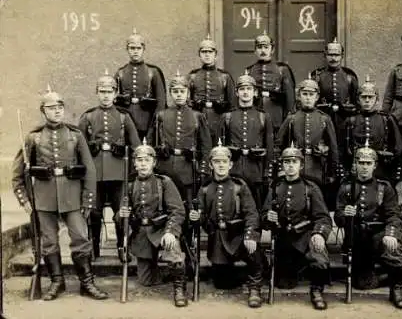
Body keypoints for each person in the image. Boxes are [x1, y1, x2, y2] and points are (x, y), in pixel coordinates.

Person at [12, 85, 108, 301]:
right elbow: (18, 174)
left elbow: (90, 170)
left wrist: (87, 199)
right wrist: (25, 201)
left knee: (81, 238)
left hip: (72, 196)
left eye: (60, 107)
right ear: (43, 111)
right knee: (49, 241)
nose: (56, 111)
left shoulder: (75, 135)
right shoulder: (33, 138)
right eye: (51, 107)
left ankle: (87, 283)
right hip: (43, 198)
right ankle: (57, 282)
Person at [189, 140, 265, 308]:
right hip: (217, 239)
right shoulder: (205, 189)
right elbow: (201, 218)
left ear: (230, 164)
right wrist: (196, 216)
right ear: (211, 165)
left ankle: (254, 289)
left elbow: (252, 213)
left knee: (254, 252)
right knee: (223, 283)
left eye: (224, 162)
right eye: (217, 162)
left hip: (238, 236)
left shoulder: (240, 186)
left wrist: (250, 235)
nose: (221, 165)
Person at [335, 142, 402, 309]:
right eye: (361, 163)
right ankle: (388, 276)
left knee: (392, 247)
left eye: (368, 163)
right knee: (363, 284)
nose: (364, 167)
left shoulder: (385, 187)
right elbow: (338, 219)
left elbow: (393, 216)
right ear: (355, 165)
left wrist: (390, 233)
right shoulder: (346, 187)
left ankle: (397, 288)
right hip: (357, 239)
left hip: (379, 235)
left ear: (375, 166)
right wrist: (345, 215)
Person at [78, 70, 141, 261]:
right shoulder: (88, 117)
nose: (106, 95)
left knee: (121, 213)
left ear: (115, 94)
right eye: (102, 91)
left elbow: (136, 146)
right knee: (94, 213)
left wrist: (129, 166)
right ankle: (94, 247)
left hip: (118, 173)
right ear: (97, 93)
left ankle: (123, 247)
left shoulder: (124, 118)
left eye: (110, 91)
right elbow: (78, 147)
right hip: (94, 174)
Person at [262, 144, 332, 310]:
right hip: (283, 240)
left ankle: (316, 290)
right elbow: (263, 216)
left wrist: (319, 234)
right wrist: (268, 218)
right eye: (287, 162)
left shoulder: (311, 188)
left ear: (301, 165)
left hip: (305, 237)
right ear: (283, 165)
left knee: (319, 257)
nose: (290, 165)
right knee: (285, 284)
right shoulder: (275, 187)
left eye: (294, 161)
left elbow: (323, 217)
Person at [119, 140, 188, 307]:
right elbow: (121, 215)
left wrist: (171, 231)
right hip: (141, 233)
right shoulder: (129, 184)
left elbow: (177, 211)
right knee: (146, 281)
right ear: (134, 163)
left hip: (162, 230)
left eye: (147, 160)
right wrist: (121, 215)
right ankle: (163, 271)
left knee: (173, 250)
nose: (143, 164)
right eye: (139, 160)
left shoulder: (164, 182)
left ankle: (179, 288)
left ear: (154, 162)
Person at [147, 71, 212, 212]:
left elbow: (206, 146)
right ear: (170, 93)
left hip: (189, 169)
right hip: (165, 167)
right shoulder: (161, 116)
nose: (179, 94)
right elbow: (150, 144)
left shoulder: (197, 116)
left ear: (188, 93)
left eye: (182, 91)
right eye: (175, 91)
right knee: (165, 206)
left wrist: (203, 170)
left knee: (188, 207)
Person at [276, 76, 339, 200]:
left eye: (311, 94)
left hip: (318, 168)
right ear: (299, 96)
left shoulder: (324, 119)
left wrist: (332, 172)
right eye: (304, 94)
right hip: (296, 167)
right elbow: (278, 145)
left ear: (317, 97)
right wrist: (281, 168)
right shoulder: (292, 118)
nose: (308, 97)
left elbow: (333, 148)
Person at [218, 71, 273, 209]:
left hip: (256, 169)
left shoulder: (263, 117)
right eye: (242, 89)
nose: (245, 92)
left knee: (255, 206)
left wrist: (267, 171)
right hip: (234, 167)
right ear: (236, 93)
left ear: (255, 92)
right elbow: (220, 147)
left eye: (249, 89)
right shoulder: (227, 116)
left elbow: (270, 146)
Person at [344, 75, 402, 203]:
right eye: (363, 97)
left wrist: (394, 173)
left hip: (381, 170)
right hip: (357, 171)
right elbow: (344, 148)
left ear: (376, 100)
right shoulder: (351, 120)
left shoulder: (386, 119)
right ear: (358, 100)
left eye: (370, 97)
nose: (367, 100)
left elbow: (398, 148)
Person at [114, 28, 167, 139]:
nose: (135, 51)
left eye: (139, 48)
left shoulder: (153, 72)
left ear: (143, 49)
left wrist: (154, 126)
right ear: (127, 49)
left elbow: (161, 102)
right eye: (132, 48)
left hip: (147, 121)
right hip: (127, 122)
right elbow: (114, 101)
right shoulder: (120, 73)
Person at [188, 34, 236, 146]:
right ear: (199, 55)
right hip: (198, 120)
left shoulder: (225, 76)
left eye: (210, 52)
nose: (207, 55)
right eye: (204, 52)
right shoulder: (193, 76)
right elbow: (188, 102)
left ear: (216, 55)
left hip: (218, 121)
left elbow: (232, 104)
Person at [246, 31, 295, 135]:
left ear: (272, 50)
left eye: (266, 47)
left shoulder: (282, 69)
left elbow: (289, 99)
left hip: (276, 116)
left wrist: (287, 122)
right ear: (255, 50)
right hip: (255, 118)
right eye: (259, 47)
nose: (262, 50)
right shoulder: (249, 70)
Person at [310, 37, 359, 140]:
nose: (333, 58)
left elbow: (355, 102)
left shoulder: (350, 76)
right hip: (322, 119)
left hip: (344, 120)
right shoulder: (317, 75)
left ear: (342, 56)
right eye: (330, 55)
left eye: (337, 55)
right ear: (325, 56)